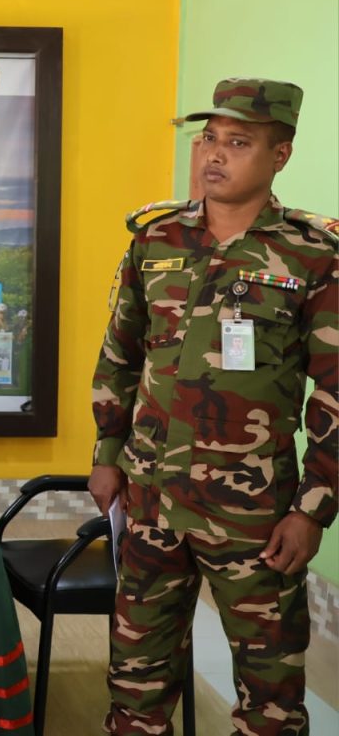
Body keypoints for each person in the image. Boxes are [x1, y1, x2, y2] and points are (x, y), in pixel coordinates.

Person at [87, 77, 337, 735]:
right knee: (135, 691)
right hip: (149, 503)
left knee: (271, 702)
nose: (213, 155)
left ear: (279, 154)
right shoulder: (156, 239)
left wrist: (314, 509)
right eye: (206, 139)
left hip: (255, 518)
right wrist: (107, 454)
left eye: (237, 141)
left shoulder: (313, 254)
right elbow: (119, 353)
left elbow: (337, 394)